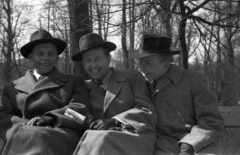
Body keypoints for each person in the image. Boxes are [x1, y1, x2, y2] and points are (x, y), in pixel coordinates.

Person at [0, 29, 93, 155]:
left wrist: (51, 118)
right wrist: (26, 126)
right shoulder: (11, 87)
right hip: (22, 136)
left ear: (57, 57)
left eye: (51, 54)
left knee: (39, 137)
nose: (46, 58)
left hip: (60, 135)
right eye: (40, 53)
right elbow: (5, 118)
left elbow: (80, 114)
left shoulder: (74, 81)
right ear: (30, 57)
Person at [131, 34, 224, 155]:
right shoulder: (142, 85)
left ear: (165, 63)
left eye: (147, 63)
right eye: (140, 62)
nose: (141, 68)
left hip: (197, 146)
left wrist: (189, 144)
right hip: (161, 147)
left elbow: (211, 121)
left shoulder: (193, 80)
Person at [71, 33, 157, 155]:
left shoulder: (132, 77)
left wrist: (115, 121)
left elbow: (146, 110)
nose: (93, 65)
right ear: (83, 64)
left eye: (97, 59)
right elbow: (72, 113)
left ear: (108, 59)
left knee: (101, 140)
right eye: (88, 60)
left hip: (133, 138)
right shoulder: (83, 87)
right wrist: (89, 121)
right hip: (97, 142)